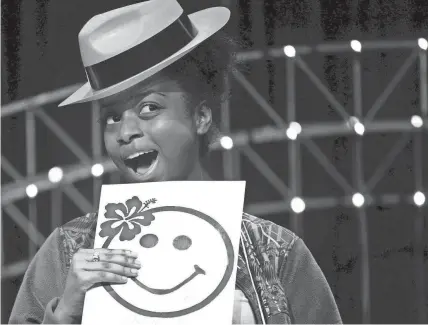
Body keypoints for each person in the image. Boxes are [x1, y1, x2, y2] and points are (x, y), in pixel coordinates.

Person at [9, 1, 342, 324]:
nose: (125, 132)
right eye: (111, 117)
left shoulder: (277, 253)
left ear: (200, 116)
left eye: (149, 108)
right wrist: (64, 316)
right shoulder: (66, 253)